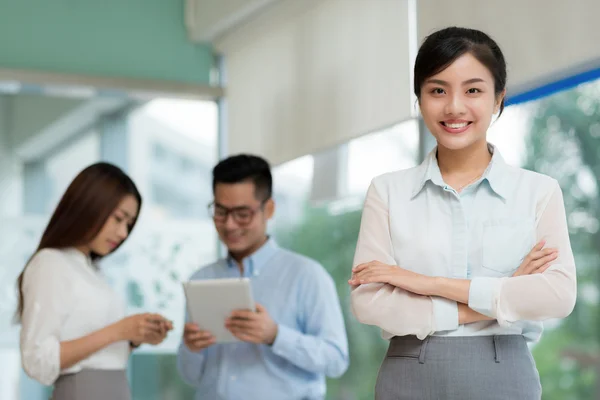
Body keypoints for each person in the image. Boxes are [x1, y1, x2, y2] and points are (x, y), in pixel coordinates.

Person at [348, 26, 576, 399]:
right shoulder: (387, 191)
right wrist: (499, 295)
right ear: (419, 99)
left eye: (473, 90)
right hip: (409, 372)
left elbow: (557, 295)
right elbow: (370, 302)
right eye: (438, 90)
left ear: (499, 98)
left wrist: (422, 282)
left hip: (505, 374)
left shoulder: (538, 192)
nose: (454, 107)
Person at [177, 154, 349, 400]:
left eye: (242, 214)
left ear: (268, 209)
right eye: (220, 211)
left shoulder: (307, 275)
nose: (229, 225)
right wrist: (191, 348)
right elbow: (191, 376)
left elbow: (336, 360)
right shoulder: (201, 279)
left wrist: (276, 336)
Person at [16, 162, 173, 400]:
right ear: (89, 206)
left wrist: (133, 339)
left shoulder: (93, 271)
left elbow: (98, 358)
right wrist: (119, 331)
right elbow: (37, 360)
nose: (123, 233)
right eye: (118, 219)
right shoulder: (50, 263)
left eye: (129, 225)